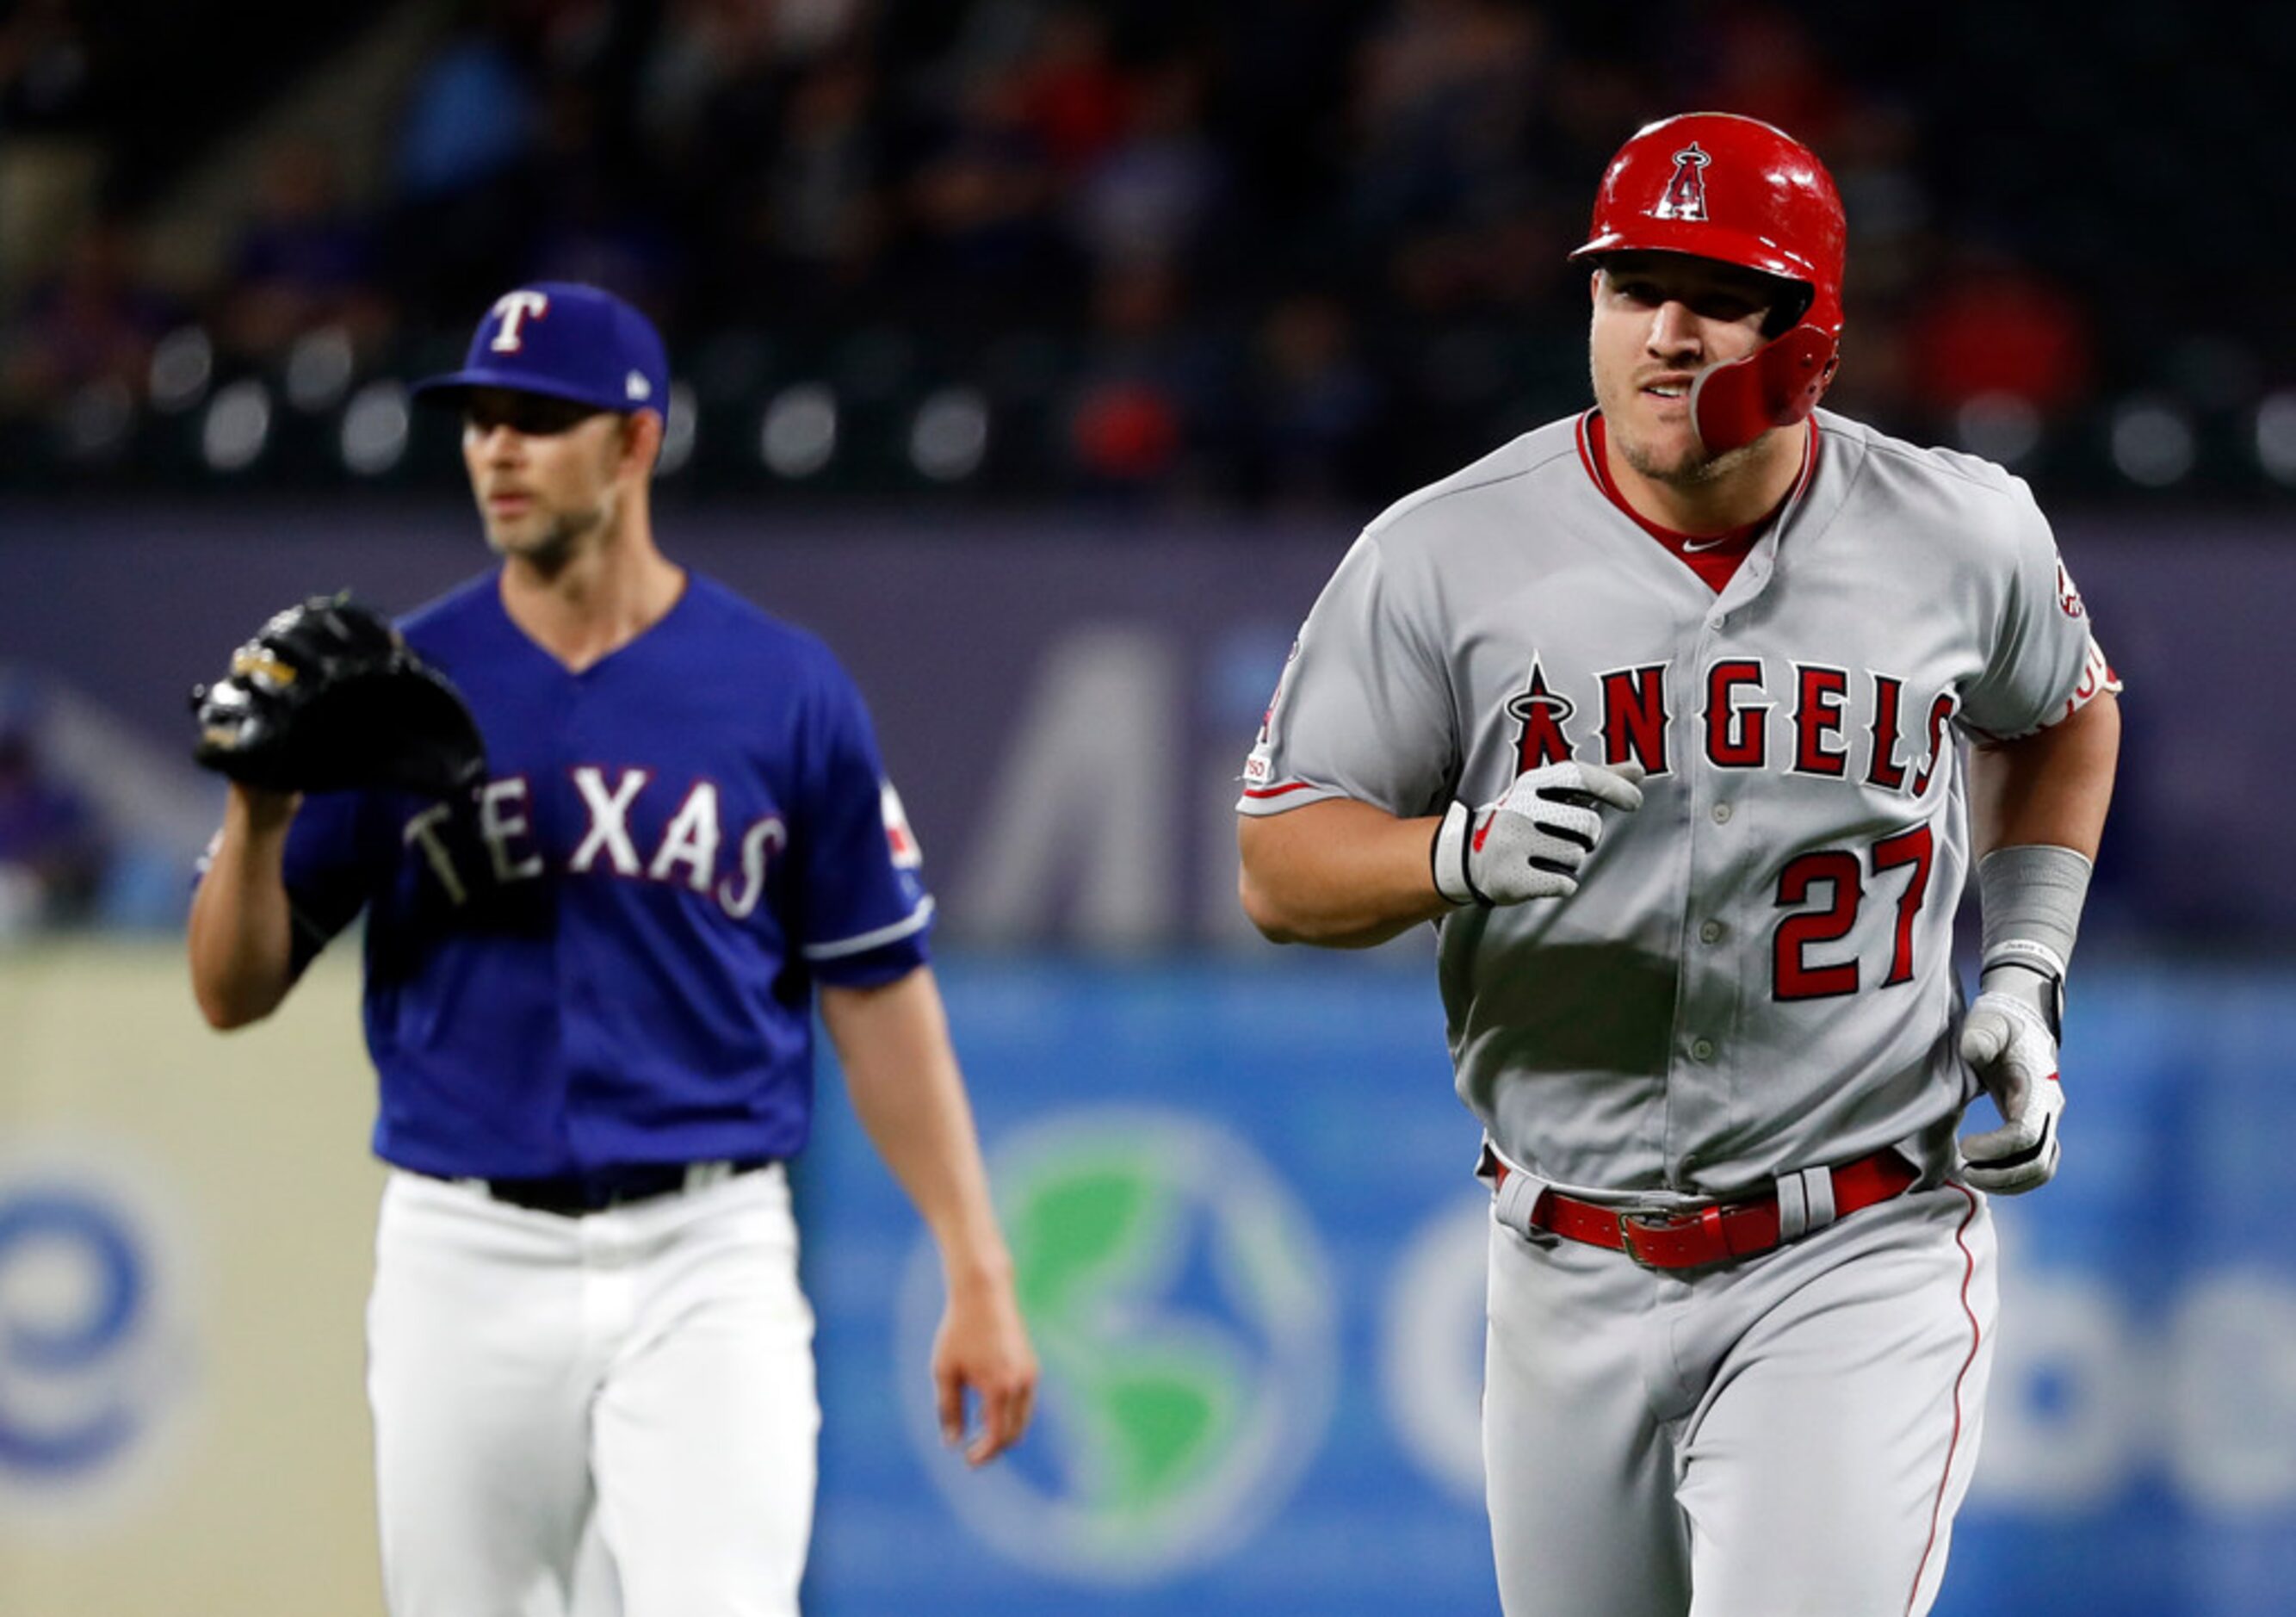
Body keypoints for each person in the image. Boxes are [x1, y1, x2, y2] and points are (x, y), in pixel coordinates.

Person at [1236, 113, 2119, 1617]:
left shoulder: (1961, 531)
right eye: (1629, 285)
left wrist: (2024, 968)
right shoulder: (1444, 550)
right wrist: (1453, 852)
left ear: (1813, 337)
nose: (1663, 331)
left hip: (1852, 1240)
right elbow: (1279, 864)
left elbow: (2063, 713)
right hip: (1559, 1251)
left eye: (1715, 294)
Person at [187, 281, 1037, 1617]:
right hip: (462, 1251)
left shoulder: (782, 688)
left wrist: (976, 1264)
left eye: (540, 418)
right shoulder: (396, 689)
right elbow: (231, 989)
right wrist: (258, 813)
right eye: (480, 420)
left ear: (635, 442)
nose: (498, 449)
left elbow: (877, 985)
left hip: (708, 1252)